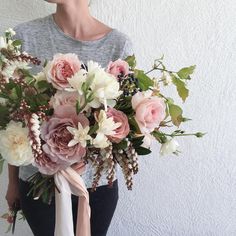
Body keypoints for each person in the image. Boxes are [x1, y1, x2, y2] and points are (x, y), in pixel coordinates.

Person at [5, 0, 134, 235]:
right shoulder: (23, 37)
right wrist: (12, 182)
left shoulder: (118, 45)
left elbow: (125, 124)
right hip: (38, 183)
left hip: (97, 186)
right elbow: (14, 120)